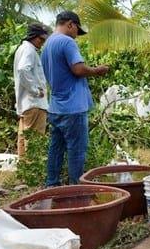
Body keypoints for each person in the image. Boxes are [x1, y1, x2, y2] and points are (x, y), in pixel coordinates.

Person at [41, 11, 109, 186]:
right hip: (73, 108)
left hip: (56, 106)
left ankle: (52, 185)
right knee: (76, 150)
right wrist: (97, 70)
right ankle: (76, 189)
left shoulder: (47, 44)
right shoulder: (66, 42)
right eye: (77, 31)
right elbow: (78, 69)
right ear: (70, 24)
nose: (76, 36)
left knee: (56, 148)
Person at [13, 23, 50, 157]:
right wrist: (35, 90)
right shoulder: (29, 50)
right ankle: (33, 174)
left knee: (24, 139)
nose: (42, 42)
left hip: (26, 103)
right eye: (40, 39)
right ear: (33, 37)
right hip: (34, 103)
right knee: (35, 141)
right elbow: (23, 69)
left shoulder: (22, 49)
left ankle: (24, 173)